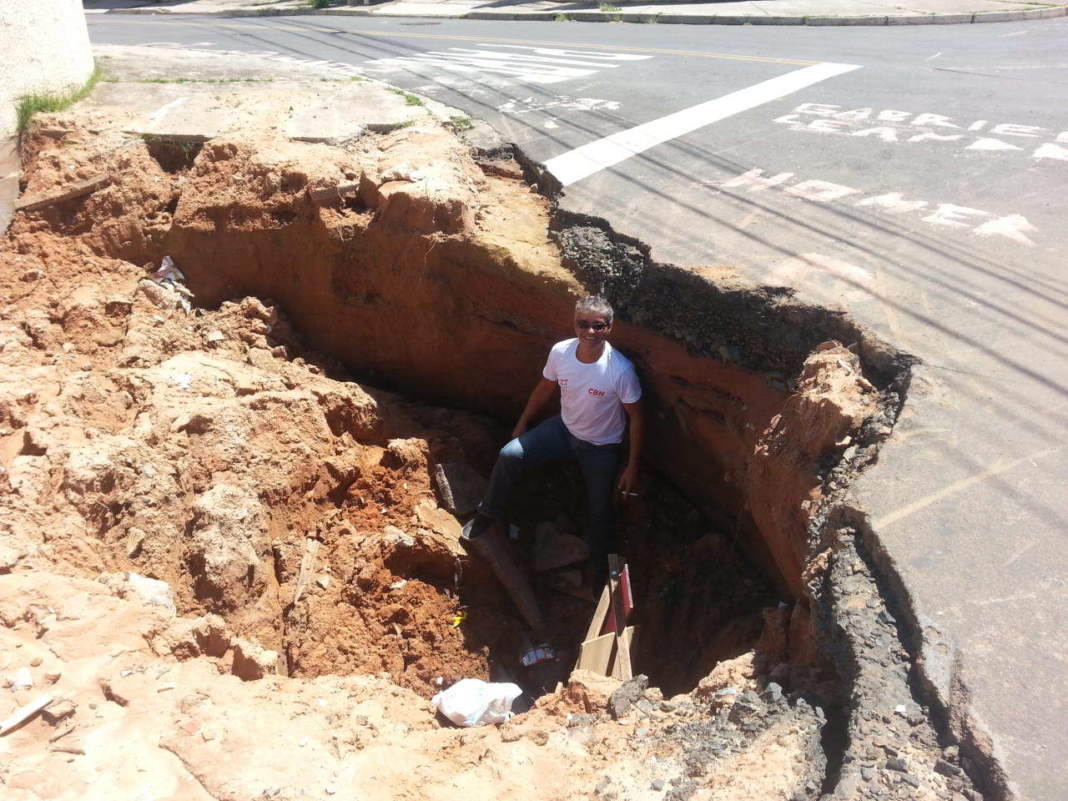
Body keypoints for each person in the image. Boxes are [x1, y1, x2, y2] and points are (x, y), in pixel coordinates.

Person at [463, 295, 643, 588]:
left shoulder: (619, 371)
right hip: (563, 430)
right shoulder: (561, 353)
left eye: (598, 326)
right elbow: (545, 387)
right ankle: (488, 513)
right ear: (574, 323)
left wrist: (631, 467)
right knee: (510, 455)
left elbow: (637, 418)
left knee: (600, 510)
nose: (590, 332)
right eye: (583, 324)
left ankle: (600, 569)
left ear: (609, 328)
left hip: (601, 447)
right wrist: (522, 424)